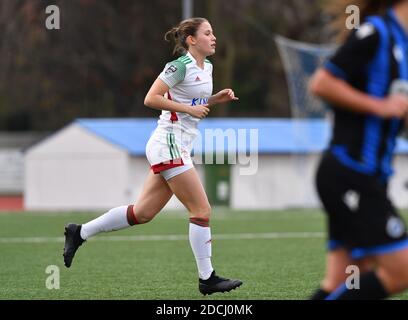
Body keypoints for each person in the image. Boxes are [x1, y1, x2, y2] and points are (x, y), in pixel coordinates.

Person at [63, 17, 242, 296]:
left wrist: (215, 99)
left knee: (142, 213)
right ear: (191, 40)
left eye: (213, 32)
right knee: (202, 210)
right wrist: (188, 109)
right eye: (207, 33)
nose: (214, 37)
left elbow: (192, 102)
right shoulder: (178, 65)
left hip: (178, 145)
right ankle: (207, 279)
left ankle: (80, 232)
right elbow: (151, 98)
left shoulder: (207, 66)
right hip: (168, 142)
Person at [308, 0, 408, 300]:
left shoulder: (400, 43)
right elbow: (322, 83)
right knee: (401, 271)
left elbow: (393, 113)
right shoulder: (375, 32)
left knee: (344, 280)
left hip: (366, 176)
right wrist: (381, 106)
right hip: (350, 172)